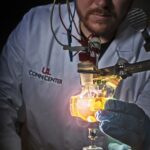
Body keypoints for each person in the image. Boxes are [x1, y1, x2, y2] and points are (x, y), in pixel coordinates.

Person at [0, 0, 150, 150]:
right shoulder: (35, 26)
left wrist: (145, 138)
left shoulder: (144, 49)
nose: (102, 2)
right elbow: (3, 104)